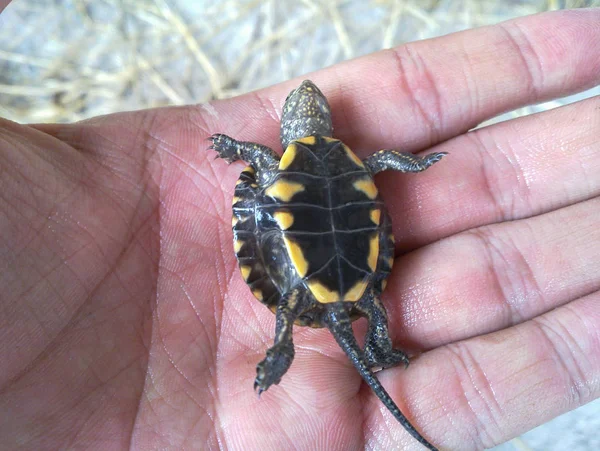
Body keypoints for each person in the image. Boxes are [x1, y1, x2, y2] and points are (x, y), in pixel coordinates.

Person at [1, 8, 599, 450]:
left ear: (294, 128)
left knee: (326, 300)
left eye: (303, 109)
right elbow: (383, 163)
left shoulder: (277, 160)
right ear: (319, 125)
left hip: (309, 270)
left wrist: (235, 148)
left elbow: (266, 160)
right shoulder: (347, 160)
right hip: (347, 258)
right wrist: (411, 162)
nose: (307, 103)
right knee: (361, 298)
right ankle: (362, 346)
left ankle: (295, 342)